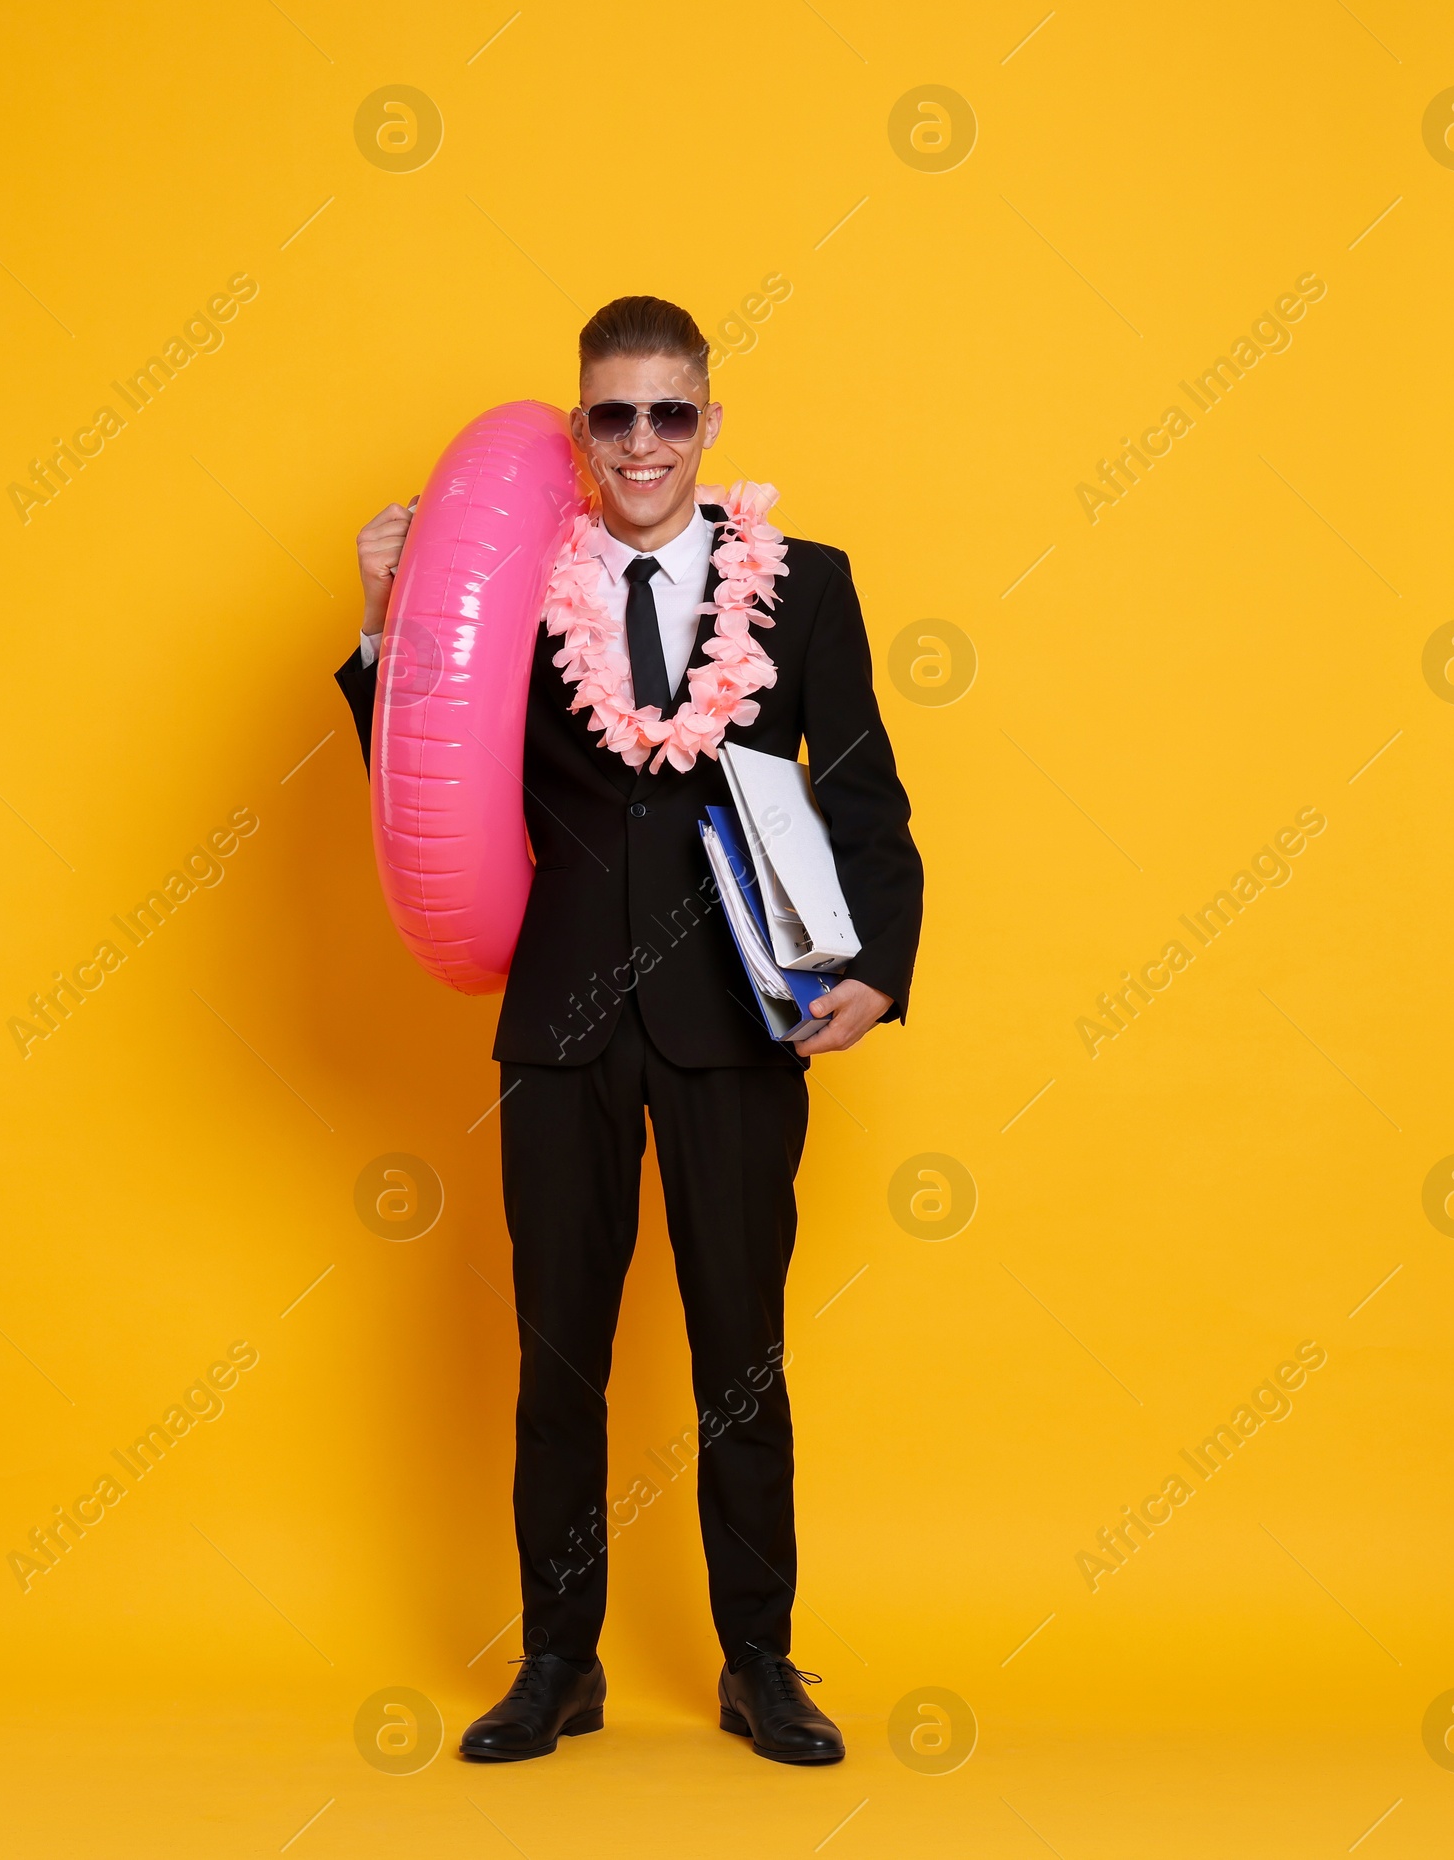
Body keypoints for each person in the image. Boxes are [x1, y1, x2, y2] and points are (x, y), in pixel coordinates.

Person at [336, 296, 922, 1765]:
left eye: (671, 412)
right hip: (565, 1026)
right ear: (581, 430)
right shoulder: (513, 587)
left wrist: (878, 964)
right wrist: (383, 621)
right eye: (615, 416)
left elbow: (861, 796)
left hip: (738, 1024)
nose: (645, 442)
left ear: (711, 421)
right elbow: (424, 783)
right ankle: (556, 1665)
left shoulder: (807, 585)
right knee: (559, 1358)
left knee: (742, 1354)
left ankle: (763, 1665)